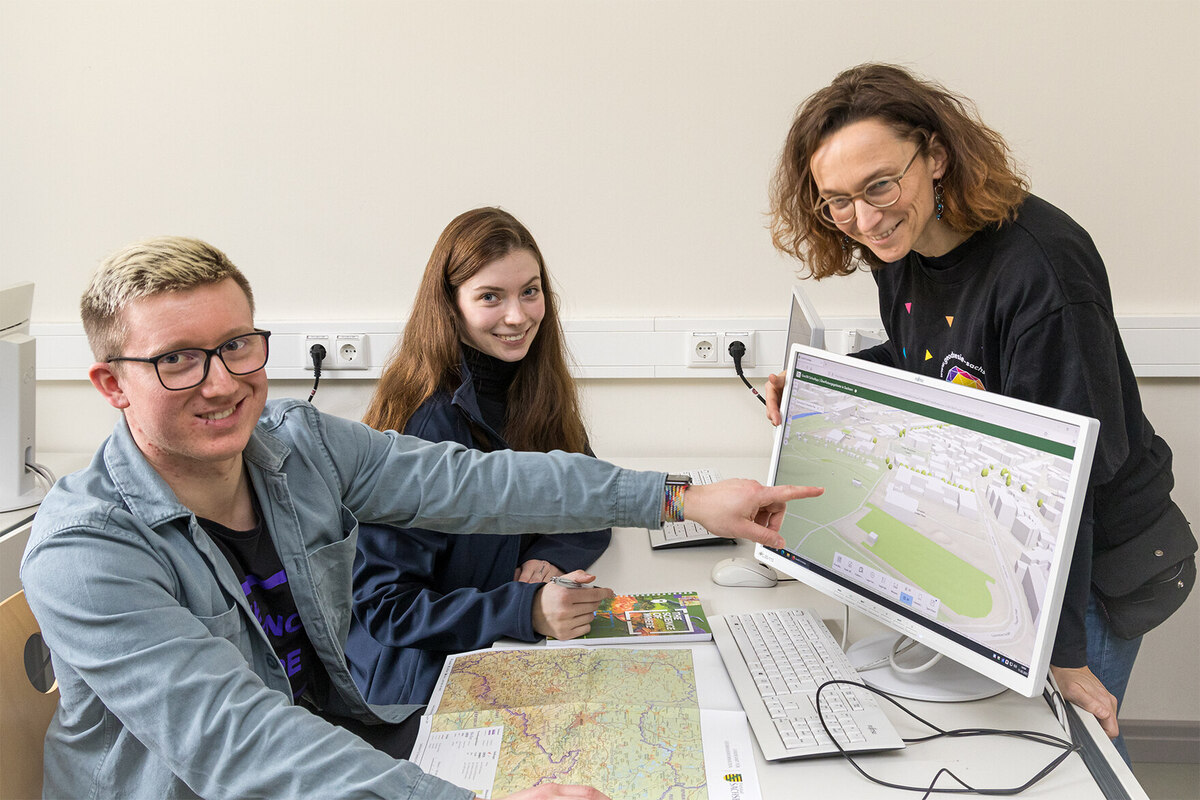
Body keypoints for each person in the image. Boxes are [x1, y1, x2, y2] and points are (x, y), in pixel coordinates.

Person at [20, 236, 822, 800]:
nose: (223, 382)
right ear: (112, 384)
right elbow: (235, 742)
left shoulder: (299, 447)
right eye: (176, 359)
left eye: (238, 345)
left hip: (341, 750)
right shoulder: (85, 551)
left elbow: (478, 486)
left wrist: (677, 498)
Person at [763, 63, 1196, 762]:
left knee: (1058, 761)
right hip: (1014, 546)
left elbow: (1073, 474)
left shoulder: (1042, 275)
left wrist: (1063, 654)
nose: (865, 219)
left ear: (935, 156)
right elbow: (932, 362)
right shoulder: (897, 249)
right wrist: (826, 384)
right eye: (836, 201)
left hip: (1095, 568)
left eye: (880, 185)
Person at [345, 208, 614, 705]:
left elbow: (590, 496)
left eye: (530, 292)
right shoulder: (424, 425)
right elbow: (386, 607)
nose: (518, 316)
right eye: (491, 296)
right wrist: (524, 610)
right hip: (417, 683)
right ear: (450, 306)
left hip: (496, 652)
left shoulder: (531, 386)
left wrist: (549, 555)